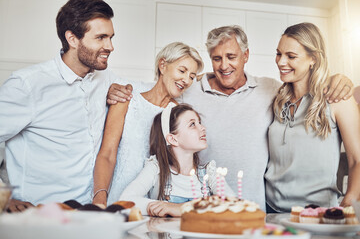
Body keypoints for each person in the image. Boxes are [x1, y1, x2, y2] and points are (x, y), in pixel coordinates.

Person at [107, 25, 353, 211]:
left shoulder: (271, 90)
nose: (224, 65)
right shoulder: (191, 89)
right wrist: (122, 89)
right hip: (205, 210)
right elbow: (159, 90)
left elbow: (312, 89)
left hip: (257, 210)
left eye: (231, 57)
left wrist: (339, 79)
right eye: (216, 58)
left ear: (246, 55)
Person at [0, 0, 123, 212]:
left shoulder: (106, 79)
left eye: (111, 37)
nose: (110, 47)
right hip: (38, 219)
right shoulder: (27, 85)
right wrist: (3, 197)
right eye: (101, 37)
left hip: (87, 215)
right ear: (72, 39)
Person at [92, 42, 204, 206]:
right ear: (163, 65)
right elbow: (107, 154)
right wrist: (99, 199)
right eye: (182, 71)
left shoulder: (180, 116)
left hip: (154, 207)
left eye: (192, 76)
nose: (186, 80)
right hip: (116, 199)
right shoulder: (126, 101)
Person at [265, 22, 360, 212]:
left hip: (318, 213)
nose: (281, 62)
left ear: (313, 59)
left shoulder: (338, 98)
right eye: (278, 54)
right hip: (271, 210)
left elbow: (357, 160)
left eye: (291, 56)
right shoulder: (276, 98)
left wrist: (348, 202)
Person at [119, 104, 235, 217]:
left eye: (200, 122)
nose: (202, 128)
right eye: (193, 124)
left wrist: (181, 208)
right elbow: (125, 200)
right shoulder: (156, 169)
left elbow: (233, 203)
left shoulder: (209, 173)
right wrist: (159, 206)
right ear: (173, 139)